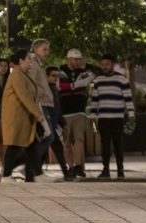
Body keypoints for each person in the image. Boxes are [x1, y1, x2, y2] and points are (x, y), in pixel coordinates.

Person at [1, 49, 45, 182]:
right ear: (20, 61)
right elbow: (24, 96)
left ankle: (38, 174)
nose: (31, 61)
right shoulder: (17, 75)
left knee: (30, 145)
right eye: (28, 58)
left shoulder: (22, 74)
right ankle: (6, 176)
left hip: (23, 116)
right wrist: (37, 114)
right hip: (17, 117)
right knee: (14, 145)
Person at [90, 53, 134, 179]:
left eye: (107, 64)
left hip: (117, 117)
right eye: (102, 64)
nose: (104, 67)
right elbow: (95, 100)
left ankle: (120, 170)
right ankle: (106, 170)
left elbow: (128, 98)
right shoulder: (98, 81)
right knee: (105, 145)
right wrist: (93, 117)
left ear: (112, 65)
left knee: (118, 144)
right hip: (103, 118)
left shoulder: (122, 79)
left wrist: (131, 114)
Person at [58, 48, 97, 178]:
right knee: (67, 142)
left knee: (79, 140)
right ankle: (70, 167)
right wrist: (75, 85)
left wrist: (86, 66)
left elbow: (96, 74)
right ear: (68, 59)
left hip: (80, 111)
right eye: (75, 59)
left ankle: (78, 167)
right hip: (64, 112)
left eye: (80, 59)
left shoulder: (84, 71)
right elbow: (59, 86)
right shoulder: (60, 71)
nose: (78, 61)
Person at [28, 39, 54, 178]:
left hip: (43, 103)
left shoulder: (38, 63)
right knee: (48, 136)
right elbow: (31, 84)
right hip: (39, 105)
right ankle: (32, 168)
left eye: (48, 49)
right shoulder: (32, 62)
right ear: (36, 48)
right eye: (44, 49)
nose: (47, 52)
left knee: (45, 137)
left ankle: (34, 169)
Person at [45, 66, 74, 181]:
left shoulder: (54, 89)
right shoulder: (46, 89)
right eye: (53, 76)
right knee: (49, 148)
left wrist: (63, 124)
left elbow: (57, 110)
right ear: (46, 76)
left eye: (57, 76)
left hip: (51, 124)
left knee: (56, 148)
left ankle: (65, 171)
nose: (56, 78)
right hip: (45, 124)